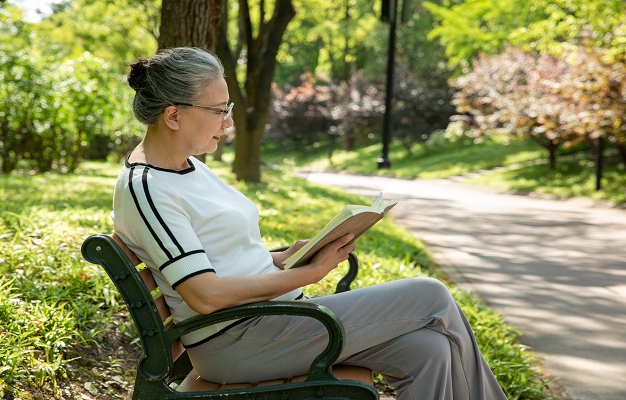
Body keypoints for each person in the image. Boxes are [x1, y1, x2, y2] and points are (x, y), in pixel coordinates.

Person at [112, 47, 507, 400]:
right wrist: (310, 274)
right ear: (174, 116)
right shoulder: (147, 187)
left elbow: (216, 257)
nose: (228, 123)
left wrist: (285, 257)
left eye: (228, 109)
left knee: (428, 351)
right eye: (219, 110)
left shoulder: (190, 167)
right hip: (239, 340)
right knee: (430, 293)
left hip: (277, 321)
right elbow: (205, 295)